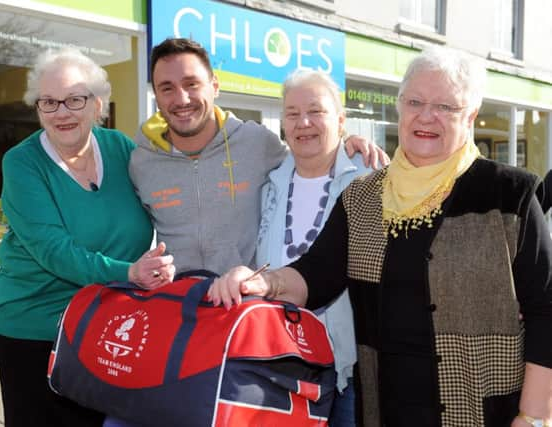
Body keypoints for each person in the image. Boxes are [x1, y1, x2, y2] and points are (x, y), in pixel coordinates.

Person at [209, 47, 552, 427]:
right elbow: (314, 274)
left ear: (470, 115)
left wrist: (533, 416)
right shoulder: (362, 197)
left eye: (445, 106)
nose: (425, 116)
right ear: (400, 108)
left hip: (487, 411)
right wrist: (261, 281)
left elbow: (545, 310)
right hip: (387, 408)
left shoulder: (510, 194)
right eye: (415, 102)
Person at [0, 48, 175, 427]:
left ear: (98, 105)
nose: (61, 112)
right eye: (48, 102)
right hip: (37, 328)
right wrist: (131, 273)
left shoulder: (122, 149)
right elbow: (53, 250)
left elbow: (168, 203)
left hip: (104, 324)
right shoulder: (22, 163)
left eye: (75, 99)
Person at [129, 37, 387, 275]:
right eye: (167, 88)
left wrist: (345, 141)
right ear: (156, 95)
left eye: (191, 84)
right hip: (181, 311)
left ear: (215, 86)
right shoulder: (141, 162)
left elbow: (310, 152)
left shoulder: (257, 142)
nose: (182, 98)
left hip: (248, 309)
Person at [256, 69, 373, 426]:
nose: (303, 122)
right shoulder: (269, 182)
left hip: (346, 370)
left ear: (340, 121)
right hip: (280, 360)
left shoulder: (368, 181)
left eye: (316, 111)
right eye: (292, 113)